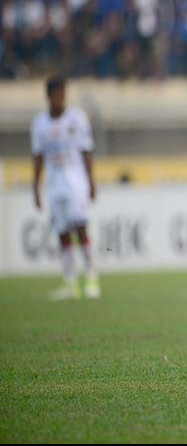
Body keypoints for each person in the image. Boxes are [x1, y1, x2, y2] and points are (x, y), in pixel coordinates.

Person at [31, 77, 99, 300]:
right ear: (48, 96)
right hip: (54, 184)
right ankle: (70, 282)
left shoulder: (77, 119)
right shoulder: (40, 124)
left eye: (64, 94)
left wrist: (91, 181)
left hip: (76, 182)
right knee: (62, 232)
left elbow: (86, 151)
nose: (61, 99)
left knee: (80, 227)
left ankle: (91, 278)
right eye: (58, 95)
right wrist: (35, 187)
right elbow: (38, 157)